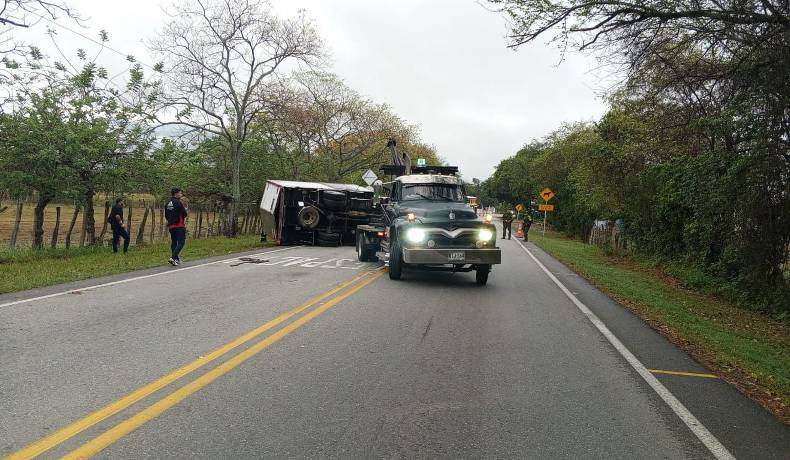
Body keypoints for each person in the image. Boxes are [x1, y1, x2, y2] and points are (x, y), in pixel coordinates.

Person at [165, 188, 188, 266]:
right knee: (181, 242)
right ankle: (173, 257)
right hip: (179, 225)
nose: (181, 195)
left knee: (174, 242)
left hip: (171, 225)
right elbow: (184, 214)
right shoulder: (178, 202)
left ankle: (176, 259)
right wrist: (185, 210)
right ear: (176, 194)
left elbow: (166, 215)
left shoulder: (168, 203)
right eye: (180, 193)